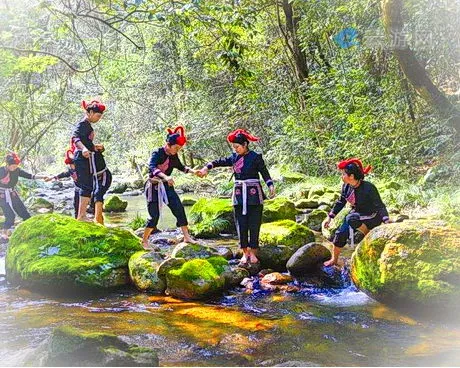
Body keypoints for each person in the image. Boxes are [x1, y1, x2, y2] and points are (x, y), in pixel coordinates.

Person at [198, 129, 275, 265]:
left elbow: (264, 172)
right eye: (234, 147)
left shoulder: (256, 157)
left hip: (254, 195)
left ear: (245, 144)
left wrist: (270, 186)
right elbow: (217, 162)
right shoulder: (234, 158)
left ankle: (253, 252)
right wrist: (206, 168)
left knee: (254, 223)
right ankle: (245, 253)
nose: (236, 149)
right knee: (241, 224)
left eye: (237, 147)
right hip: (239, 195)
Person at [323, 158, 391, 266]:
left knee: (351, 218)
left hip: (372, 215)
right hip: (357, 213)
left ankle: (367, 234)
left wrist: (386, 220)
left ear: (351, 176)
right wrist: (330, 217)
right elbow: (341, 202)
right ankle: (334, 259)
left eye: (344, 174)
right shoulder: (346, 187)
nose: (342, 176)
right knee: (340, 233)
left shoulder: (369, 188)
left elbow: (379, 205)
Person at [142, 126, 200, 248]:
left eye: (179, 148)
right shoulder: (157, 153)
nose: (177, 150)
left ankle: (186, 237)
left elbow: (181, 167)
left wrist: (194, 172)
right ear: (168, 145)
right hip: (154, 187)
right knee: (154, 216)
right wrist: (166, 177)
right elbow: (152, 167)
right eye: (176, 148)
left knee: (179, 209)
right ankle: (145, 241)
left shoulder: (174, 156)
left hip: (167, 187)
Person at [71, 99, 109, 224]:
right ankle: (81, 215)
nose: (99, 119)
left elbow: (86, 141)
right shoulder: (82, 124)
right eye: (98, 116)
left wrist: (95, 147)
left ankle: (82, 215)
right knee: (86, 186)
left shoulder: (88, 126)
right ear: (90, 112)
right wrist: (83, 149)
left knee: (89, 186)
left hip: (87, 158)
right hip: (81, 159)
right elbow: (75, 138)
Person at [0, 152, 48, 239]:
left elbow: (30, 176)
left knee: (24, 213)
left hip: (12, 193)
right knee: (10, 216)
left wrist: (42, 177)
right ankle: (4, 234)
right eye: (13, 166)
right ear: (7, 164)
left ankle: (31, 230)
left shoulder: (17, 170)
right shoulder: (1, 171)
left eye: (16, 166)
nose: (14, 168)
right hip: (2, 195)